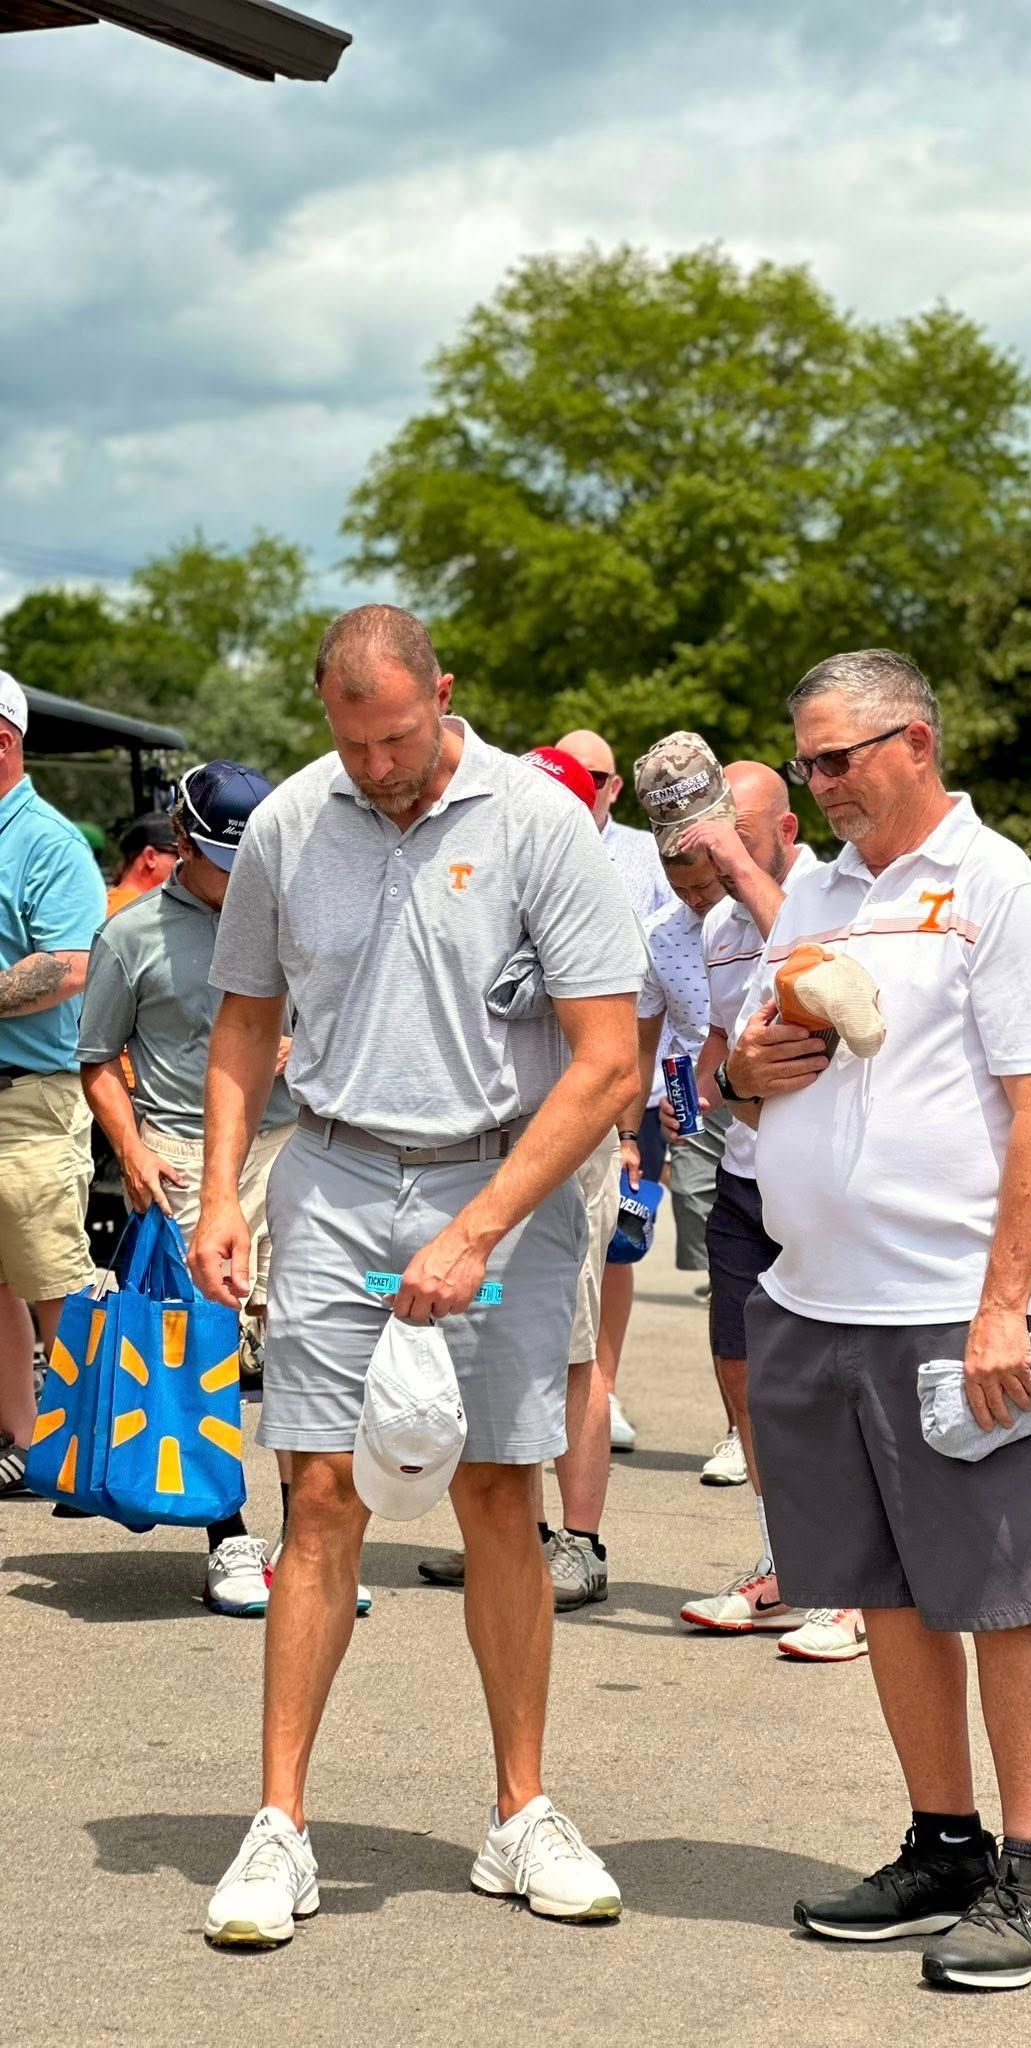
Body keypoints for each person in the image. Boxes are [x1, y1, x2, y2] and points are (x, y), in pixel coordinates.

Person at [192, 605, 646, 1947]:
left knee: (500, 1491)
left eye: (398, 736)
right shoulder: (287, 823)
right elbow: (245, 1014)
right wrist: (223, 1192)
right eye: (353, 741)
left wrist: (481, 1227)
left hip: (495, 1186)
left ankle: (521, 1814)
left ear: (445, 692)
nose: (379, 765)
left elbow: (607, 1061)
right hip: (331, 1182)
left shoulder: (540, 823)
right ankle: (280, 1826)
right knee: (320, 1494)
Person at [726, 648, 1031, 1992]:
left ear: (916, 742)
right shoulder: (816, 890)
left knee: (1003, 1594)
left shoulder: (996, 890)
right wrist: (740, 1066)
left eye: (839, 759)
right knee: (882, 1593)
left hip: (953, 1309)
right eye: (806, 761)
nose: (817, 788)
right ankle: (945, 1845)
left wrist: (1009, 1306)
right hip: (815, 1298)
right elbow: (756, 1068)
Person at [77, 762, 372, 1619]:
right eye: (218, 857)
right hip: (178, 1149)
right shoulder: (129, 936)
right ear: (178, 842)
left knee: (301, 1345)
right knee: (205, 1349)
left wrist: (301, 1041)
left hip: (291, 1145)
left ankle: (305, 1544)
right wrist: (128, 1149)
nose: (239, 876)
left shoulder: (295, 920)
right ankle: (228, 1536)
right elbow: (96, 1058)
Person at [636, 739, 862, 1662]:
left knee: (829, 1386)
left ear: (780, 831)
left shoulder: (832, 892)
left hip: (832, 1180)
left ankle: (850, 1590)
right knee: (747, 1376)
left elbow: (824, 975)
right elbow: (725, 1044)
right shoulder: (717, 927)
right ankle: (787, 1564)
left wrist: (733, 864)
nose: (707, 877)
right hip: (744, 1175)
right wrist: (688, 1093)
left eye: (722, 853)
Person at [418, 745, 629, 1613]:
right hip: (484, 1153)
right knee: (498, 1347)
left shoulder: (591, 885)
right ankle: (512, 1533)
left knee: (573, 1352)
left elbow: (618, 1038)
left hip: (567, 1146)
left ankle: (578, 1540)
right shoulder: (483, 872)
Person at [0, 669, 106, 1495]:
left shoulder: (47, 840)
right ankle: (21, 1444)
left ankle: (88, 1451)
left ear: (3, 740)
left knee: (54, 1286)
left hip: (28, 1102)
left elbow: (70, 966)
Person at [555, 728, 668, 1454]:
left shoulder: (645, 856)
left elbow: (669, 962)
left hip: (629, 1085)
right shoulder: (521, 836)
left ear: (615, 787)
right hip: (542, 1086)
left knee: (616, 1246)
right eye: (573, 773)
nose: (586, 786)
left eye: (598, 776)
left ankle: (605, 1386)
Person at [627, 839, 740, 1481]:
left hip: (767, 1091)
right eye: (685, 891)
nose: (697, 901)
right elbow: (645, 1038)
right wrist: (628, 1133)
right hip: (687, 1088)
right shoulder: (660, 935)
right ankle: (733, 1427)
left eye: (705, 887)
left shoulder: (771, 908)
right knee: (719, 1272)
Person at [105, 813, 178, 918]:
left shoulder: (108, 905)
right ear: (150, 857)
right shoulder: (134, 911)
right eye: (177, 854)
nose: (184, 863)